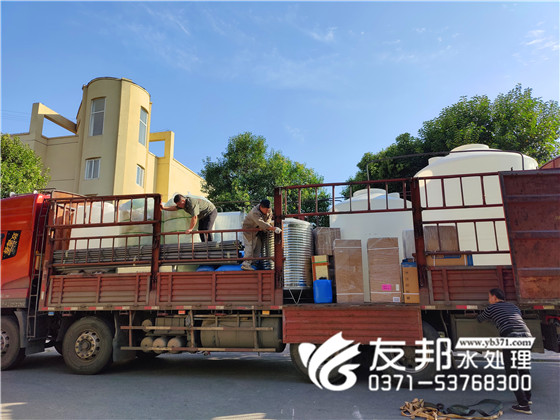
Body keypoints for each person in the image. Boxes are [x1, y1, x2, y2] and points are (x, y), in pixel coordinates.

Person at [477, 288, 533, 415]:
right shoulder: (513, 307)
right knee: (523, 369)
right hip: (526, 336)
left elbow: (480, 319)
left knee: (511, 372)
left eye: (489, 297)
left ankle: (523, 405)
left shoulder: (491, 308)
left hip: (511, 337)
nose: (489, 300)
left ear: (494, 297)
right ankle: (527, 398)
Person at [241, 199, 281, 271]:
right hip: (249, 231)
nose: (267, 211)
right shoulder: (255, 212)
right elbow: (261, 223)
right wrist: (273, 228)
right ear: (261, 207)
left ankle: (254, 263)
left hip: (258, 231)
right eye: (266, 210)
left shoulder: (268, 210)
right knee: (250, 247)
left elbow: (269, 218)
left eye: (269, 209)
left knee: (258, 248)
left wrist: (268, 226)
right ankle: (245, 264)